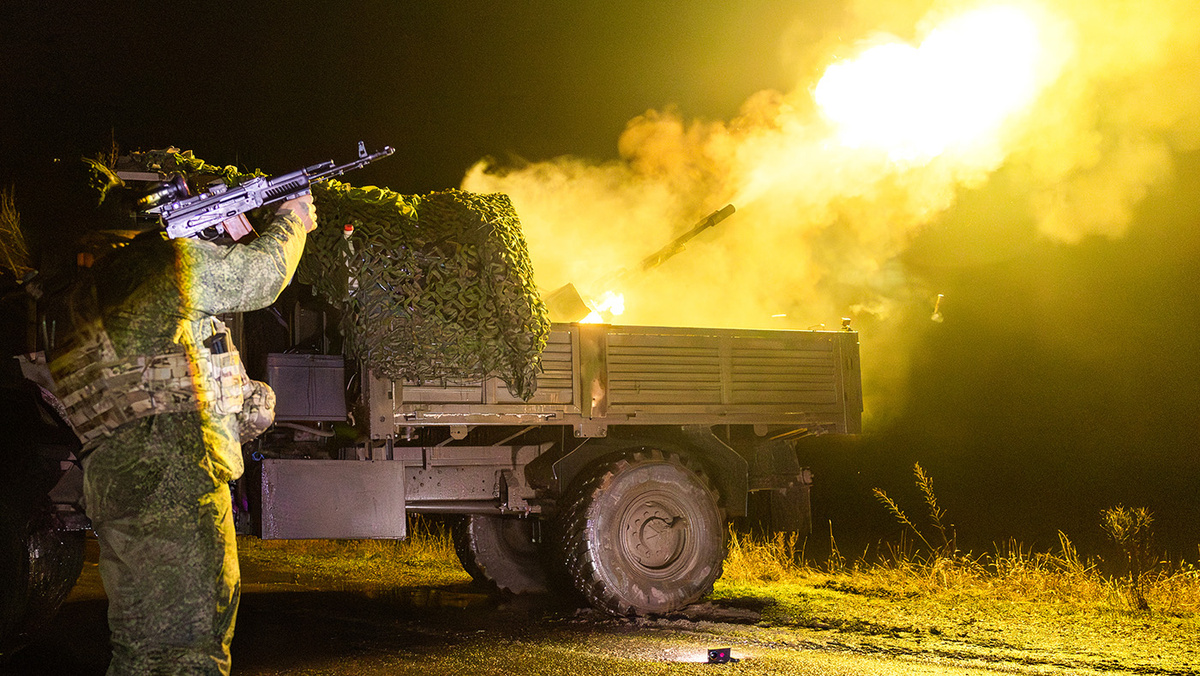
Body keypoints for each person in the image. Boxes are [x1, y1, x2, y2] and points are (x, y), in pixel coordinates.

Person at [42, 160, 317, 675]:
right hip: (172, 479)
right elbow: (257, 278)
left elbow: (150, 385)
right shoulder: (155, 265)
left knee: (143, 652)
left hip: (125, 483)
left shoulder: (80, 296)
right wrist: (292, 220)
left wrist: (241, 404)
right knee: (188, 649)